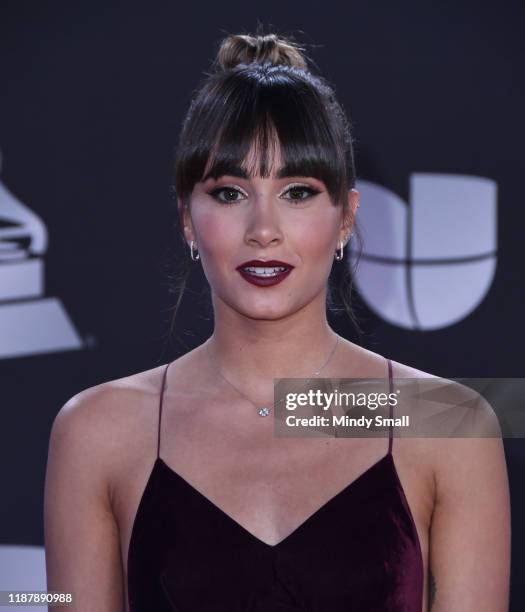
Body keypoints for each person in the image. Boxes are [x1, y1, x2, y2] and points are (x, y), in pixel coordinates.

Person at [43, 30, 511, 612]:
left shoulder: (450, 422)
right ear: (188, 218)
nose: (263, 229)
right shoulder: (97, 431)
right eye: (230, 192)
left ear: (346, 217)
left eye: (297, 190)